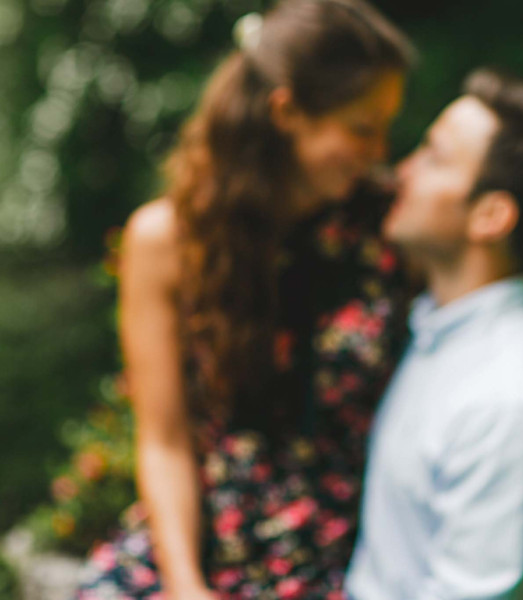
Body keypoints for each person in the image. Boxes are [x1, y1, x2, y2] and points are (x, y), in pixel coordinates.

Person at [75, 1, 415, 599]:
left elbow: (480, 306)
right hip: (197, 545)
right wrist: (186, 585)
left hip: (340, 556)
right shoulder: (165, 242)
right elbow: (164, 441)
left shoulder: (391, 228)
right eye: (362, 128)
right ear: (287, 113)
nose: (379, 151)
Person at [346, 70, 523, 600]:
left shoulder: (510, 400)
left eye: (433, 157)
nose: (402, 170)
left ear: (490, 215)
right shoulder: (437, 334)